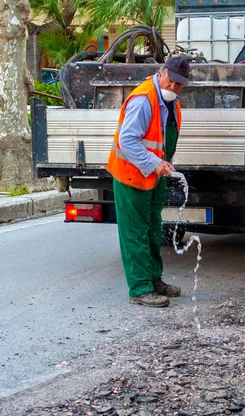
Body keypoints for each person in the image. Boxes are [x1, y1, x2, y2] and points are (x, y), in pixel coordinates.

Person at [106, 56, 190, 308]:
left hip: (153, 176)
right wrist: (155, 164)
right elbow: (128, 141)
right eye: (172, 81)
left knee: (153, 228)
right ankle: (140, 289)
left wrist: (160, 166)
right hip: (132, 175)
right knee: (135, 232)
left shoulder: (170, 101)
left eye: (180, 84)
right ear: (162, 72)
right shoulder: (144, 100)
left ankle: (154, 280)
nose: (174, 87)